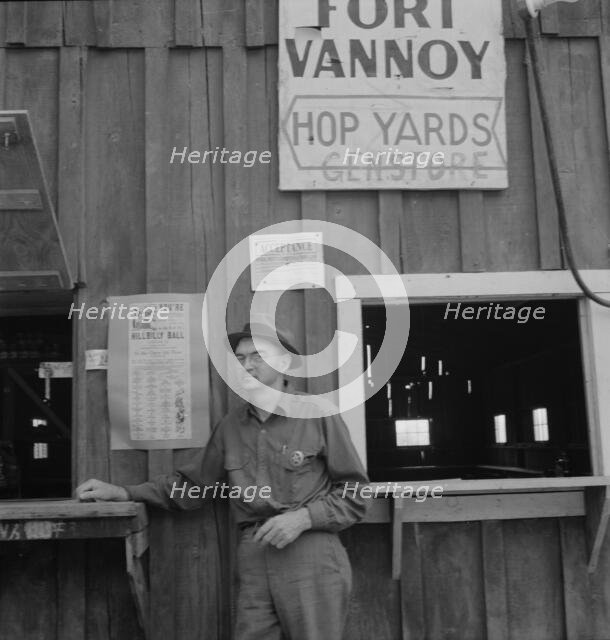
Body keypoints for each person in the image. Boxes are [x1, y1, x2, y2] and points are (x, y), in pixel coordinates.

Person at [76, 319, 369, 640]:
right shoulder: (231, 426)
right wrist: (123, 491)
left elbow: (355, 493)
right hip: (255, 553)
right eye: (241, 359)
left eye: (257, 356)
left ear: (284, 363)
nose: (247, 366)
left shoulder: (318, 413)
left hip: (310, 553)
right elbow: (192, 487)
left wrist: (303, 519)